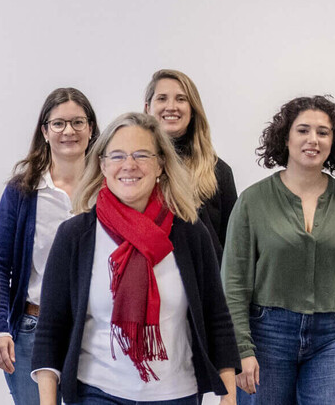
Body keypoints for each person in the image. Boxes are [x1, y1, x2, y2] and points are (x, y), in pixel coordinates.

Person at [31, 112, 238, 405]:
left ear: (161, 164)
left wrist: (228, 398)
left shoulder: (190, 234)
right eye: (117, 156)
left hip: (176, 394)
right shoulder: (75, 236)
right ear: (102, 164)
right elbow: (52, 328)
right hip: (97, 392)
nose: (129, 165)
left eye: (142, 155)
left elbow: (217, 317)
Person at [225, 96, 335, 404]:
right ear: (286, 137)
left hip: (332, 338)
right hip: (266, 335)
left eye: (323, 132)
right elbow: (233, 283)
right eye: (303, 130)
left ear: (333, 142)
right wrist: (241, 350)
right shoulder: (252, 201)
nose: (313, 140)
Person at [0, 88, 98, 405]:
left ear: (91, 129)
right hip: (32, 330)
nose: (69, 131)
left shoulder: (110, 188)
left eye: (78, 122)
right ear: (45, 131)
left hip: (95, 333)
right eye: (59, 123)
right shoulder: (23, 190)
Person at [142, 69, 237, 250]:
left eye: (181, 99)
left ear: (192, 110)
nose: (171, 106)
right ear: (148, 108)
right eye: (162, 98)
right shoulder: (131, 170)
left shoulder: (219, 172)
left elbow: (234, 247)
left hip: (204, 276)